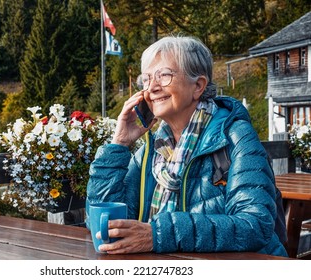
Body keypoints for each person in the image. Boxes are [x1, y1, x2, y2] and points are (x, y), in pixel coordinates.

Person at [86, 35, 288, 257]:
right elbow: (103, 225)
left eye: (163, 76)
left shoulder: (235, 137)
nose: (152, 87)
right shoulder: (151, 151)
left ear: (198, 86)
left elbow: (254, 225)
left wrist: (158, 235)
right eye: (146, 79)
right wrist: (119, 144)